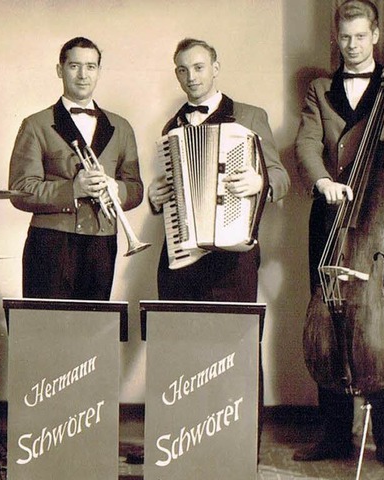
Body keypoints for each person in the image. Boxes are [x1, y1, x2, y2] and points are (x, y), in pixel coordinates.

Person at [293, 0, 384, 468]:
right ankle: (335, 433)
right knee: (331, 317)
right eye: (345, 38)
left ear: (376, 36)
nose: (353, 45)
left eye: (361, 36)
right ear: (336, 38)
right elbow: (307, 143)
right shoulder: (320, 89)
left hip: (383, 223)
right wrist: (322, 181)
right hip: (335, 221)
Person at [147, 38, 290, 457]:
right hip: (181, 256)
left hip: (233, 256)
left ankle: (239, 447)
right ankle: (186, 445)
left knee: (237, 351)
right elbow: (171, 193)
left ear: (215, 67)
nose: (191, 77)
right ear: (177, 74)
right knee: (180, 351)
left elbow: (280, 177)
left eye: (199, 67)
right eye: (183, 70)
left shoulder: (249, 116)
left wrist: (259, 182)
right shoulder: (171, 126)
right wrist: (157, 199)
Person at [8, 36, 144, 300]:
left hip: (102, 244)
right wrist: (73, 189)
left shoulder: (121, 127)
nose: (83, 75)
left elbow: (136, 189)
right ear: (60, 70)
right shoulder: (36, 124)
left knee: (93, 332)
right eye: (74, 66)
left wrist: (117, 189)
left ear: (99, 72)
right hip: (51, 243)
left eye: (91, 67)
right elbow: (20, 190)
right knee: (48, 331)